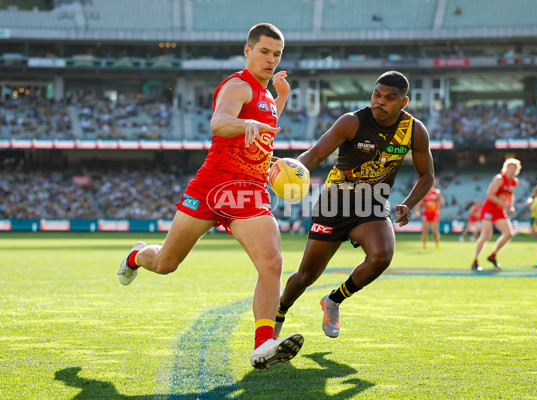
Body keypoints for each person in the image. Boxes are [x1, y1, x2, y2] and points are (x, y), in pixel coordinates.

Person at [116, 23, 303, 371]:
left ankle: (263, 344)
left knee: (272, 261)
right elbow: (219, 123)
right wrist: (243, 125)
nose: (271, 59)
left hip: (249, 192)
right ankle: (136, 255)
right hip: (211, 189)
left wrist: (282, 97)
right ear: (247, 51)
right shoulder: (237, 85)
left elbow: (266, 121)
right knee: (165, 264)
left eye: (277, 54)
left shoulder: (265, 95)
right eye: (264, 52)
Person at [272, 71, 435, 340]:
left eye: (389, 98)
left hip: (372, 202)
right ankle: (277, 317)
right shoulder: (352, 122)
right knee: (306, 275)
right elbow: (314, 155)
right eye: (376, 94)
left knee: (382, 256)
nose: (379, 102)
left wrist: (409, 203)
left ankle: (334, 300)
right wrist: (294, 172)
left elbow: (427, 175)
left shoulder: (414, 130)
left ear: (403, 103)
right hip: (334, 201)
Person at [471, 158, 521, 272]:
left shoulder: (514, 182)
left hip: (499, 210)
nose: (512, 170)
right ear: (506, 168)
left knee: (509, 234)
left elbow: (510, 195)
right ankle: (475, 261)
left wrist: (511, 206)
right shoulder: (499, 179)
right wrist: (505, 204)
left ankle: (493, 255)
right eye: (510, 167)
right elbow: (489, 195)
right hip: (489, 208)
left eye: (514, 168)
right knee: (486, 235)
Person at [415, 186, 445, 250]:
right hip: (426, 214)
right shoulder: (424, 192)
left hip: (434, 214)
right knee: (425, 231)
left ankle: (437, 244)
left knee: (434, 231)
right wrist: (417, 212)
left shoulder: (437, 192)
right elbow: (419, 204)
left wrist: (440, 210)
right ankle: (424, 246)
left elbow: (442, 203)